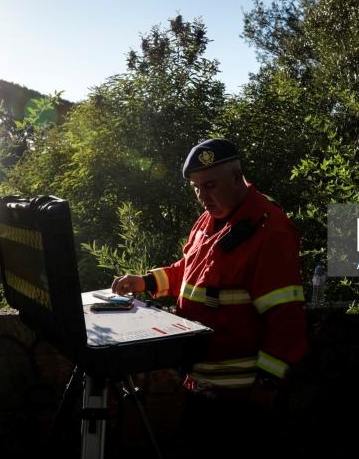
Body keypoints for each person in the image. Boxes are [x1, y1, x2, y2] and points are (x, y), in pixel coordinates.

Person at [111, 138, 307, 454]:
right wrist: (145, 282)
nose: (203, 196)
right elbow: (189, 271)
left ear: (237, 176)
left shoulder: (270, 230)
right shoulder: (209, 220)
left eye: (210, 185)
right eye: (196, 187)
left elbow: (287, 318)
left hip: (240, 398)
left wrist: (267, 384)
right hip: (200, 385)